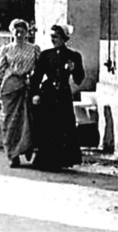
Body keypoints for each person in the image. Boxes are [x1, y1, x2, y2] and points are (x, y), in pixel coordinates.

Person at [30, 24, 84, 171]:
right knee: (47, 126)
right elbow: (36, 77)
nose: (53, 40)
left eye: (56, 37)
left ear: (64, 38)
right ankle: (45, 160)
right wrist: (35, 93)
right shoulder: (46, 55)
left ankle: (61, 160)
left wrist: (74, 69)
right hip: (48, 93)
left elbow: (79, 79)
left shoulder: (73, 56)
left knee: (63, 126)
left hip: (63, 94)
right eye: (52, 37)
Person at [0, 19, 40, 167]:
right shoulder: (6, 49)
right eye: (16, 31)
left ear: (27, 32)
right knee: (11, 122)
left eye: (22, 31)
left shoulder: (34, 49)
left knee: (28, 120)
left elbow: (39, 70)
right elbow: (0, 72)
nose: (19, 34)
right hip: (10, 88)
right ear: (11, 32)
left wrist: (37, 88)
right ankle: (13, 154)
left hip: (28, 86)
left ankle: (27, 148)